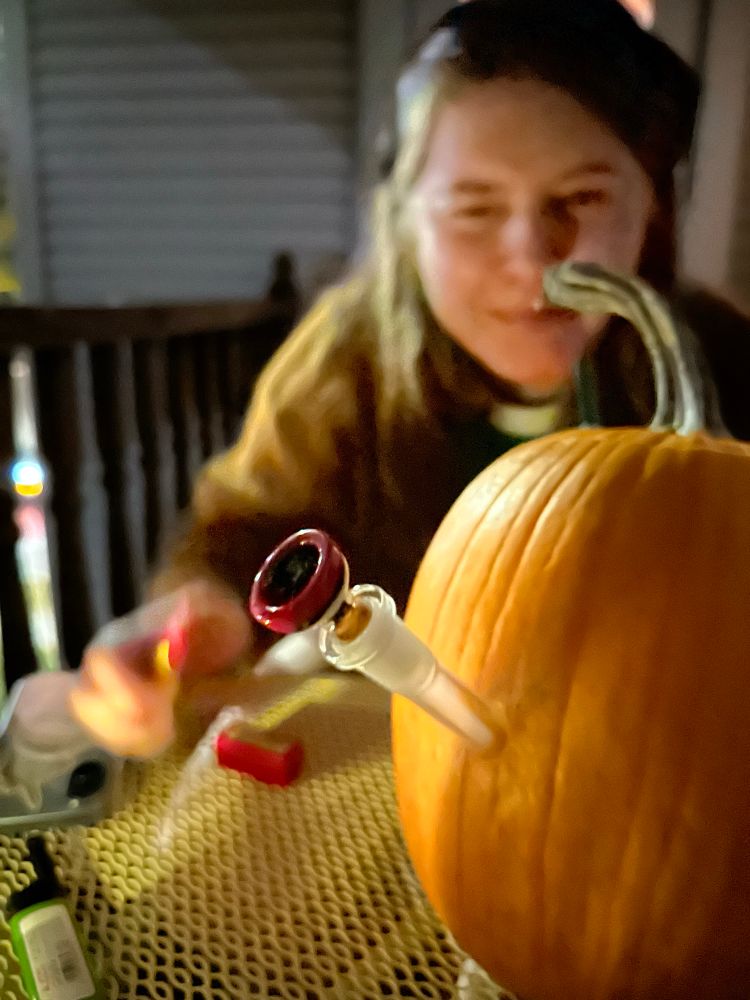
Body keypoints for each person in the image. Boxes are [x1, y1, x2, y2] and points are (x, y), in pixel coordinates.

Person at [70, 0, 750, 757]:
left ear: (651, 206)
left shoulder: (722, 358)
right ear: (407, 220)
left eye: (583, 198)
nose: (534, 259)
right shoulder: (342, 367)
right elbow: (238, 536)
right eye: (473, 207)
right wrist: (197, 617)